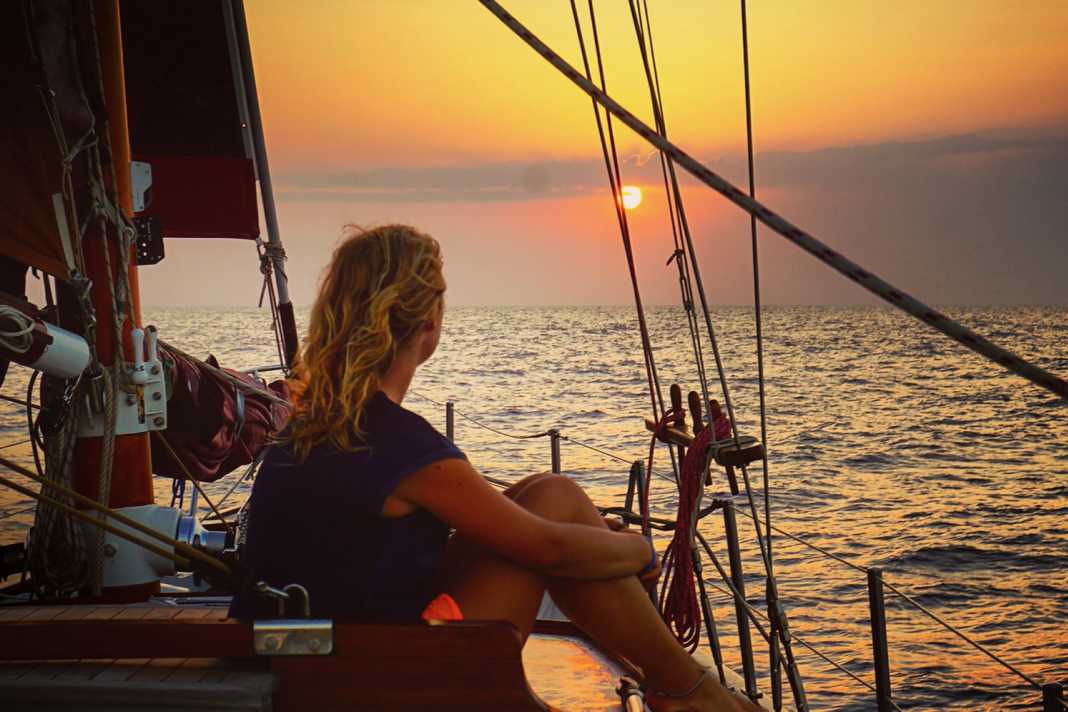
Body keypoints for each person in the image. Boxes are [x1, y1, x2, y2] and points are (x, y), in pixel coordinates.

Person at [230, 225, 757, 711]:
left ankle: (681, 686)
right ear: (429, 320)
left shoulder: (313, 427)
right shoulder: (397, 442)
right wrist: (640, 550)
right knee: (548, 529)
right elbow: (548, 549)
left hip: (319, 658)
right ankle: (688, 691)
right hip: (378, 680)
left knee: (550, 494)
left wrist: (594, 541)